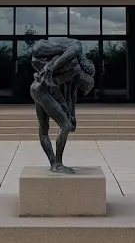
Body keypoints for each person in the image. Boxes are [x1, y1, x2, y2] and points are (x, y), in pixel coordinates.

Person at [30, 37, 95, 172]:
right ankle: (57, 164)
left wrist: (72, 114)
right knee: (65, 126)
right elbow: (54, 88)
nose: (82, 88)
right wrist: (66, 112)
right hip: (42, 90)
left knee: (43, 129)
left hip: (36, 88)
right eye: (84, 86)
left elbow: (71, 96)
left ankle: (54, 163)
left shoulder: (71, 68)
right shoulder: (74, 67)